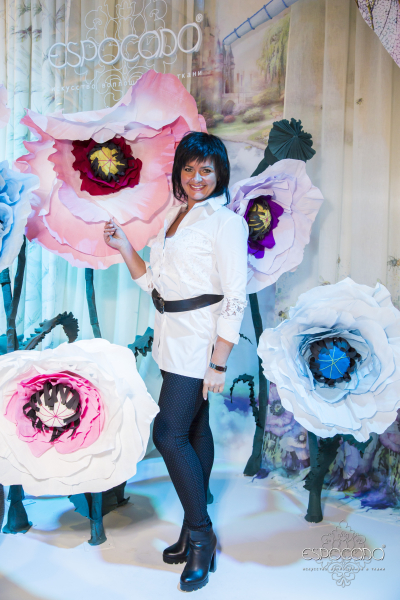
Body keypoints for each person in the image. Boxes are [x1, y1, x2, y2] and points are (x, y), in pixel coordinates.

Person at [103, 131, 248, 592]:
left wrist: (219, 362)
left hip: (200, 342)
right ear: (179, 172)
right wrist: (125, 247)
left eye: (206, 169)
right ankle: (192, 528)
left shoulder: (226, 223)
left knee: (168, 434)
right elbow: (156, 286)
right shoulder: (174, 215)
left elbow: (235, 296)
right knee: (194, 431)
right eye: (188, 168)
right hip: (170, 337)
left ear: (220, 173)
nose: (196, 177)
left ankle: (202, 536)